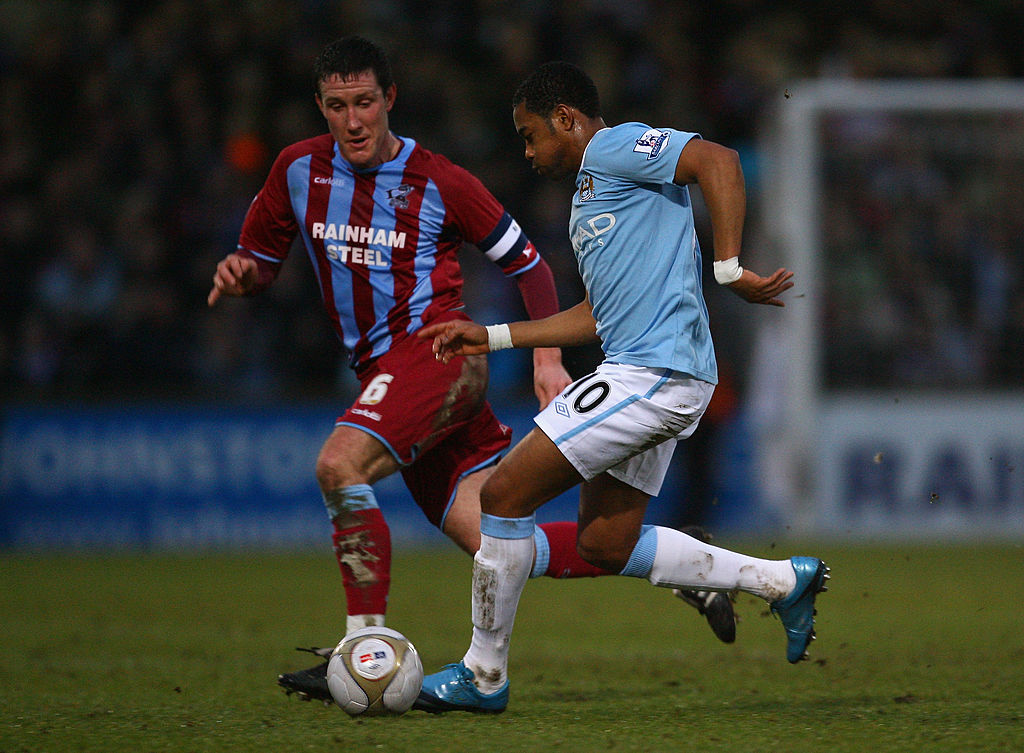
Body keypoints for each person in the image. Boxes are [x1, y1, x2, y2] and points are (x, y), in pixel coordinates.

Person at [207, 38, 736, 703]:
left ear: (389, 99)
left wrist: (546, 360)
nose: (354, 120)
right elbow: (261, 257)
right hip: (382, 373)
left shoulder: (439, 180)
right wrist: (241, 272)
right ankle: (689, 562)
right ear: (320, 107)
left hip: (438, 358)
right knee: (502, 541)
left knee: (338, 466)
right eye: (338, 106)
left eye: (366, 102)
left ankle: (358, 648)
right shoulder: (295, 170)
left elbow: (529, 264)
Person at [414, 61, 829, 714]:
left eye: (530, 135)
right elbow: (594, 316)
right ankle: (782, 580)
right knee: (604, 542)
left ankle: (483, 674)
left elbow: (716, 160)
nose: (527, 152)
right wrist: (492, 337)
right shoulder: (591, 199)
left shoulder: (612, 147)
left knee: (501, 493)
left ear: (568, 121)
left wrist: (727, 266)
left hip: (652, 374)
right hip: (650, 371)